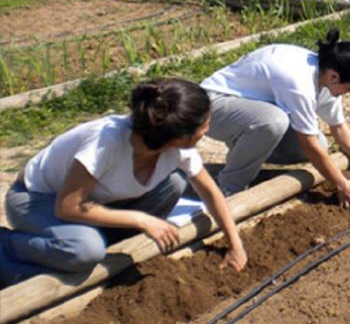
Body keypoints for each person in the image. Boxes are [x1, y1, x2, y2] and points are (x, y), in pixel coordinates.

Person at [0, 78, 246, 288]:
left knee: (174, 183)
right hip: (37, 200)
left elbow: (210, 192)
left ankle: (98, 240)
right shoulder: (106, 143)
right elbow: (67, 207)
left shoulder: (177, 147)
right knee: (85, 251)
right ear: (180, 134)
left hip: (95, 202)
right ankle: (7, 247)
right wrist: (141, 219)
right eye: (204, 125)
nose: (207, 130)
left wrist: (235, 245)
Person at [201, 29, 350, 206]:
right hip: (212, 107)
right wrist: (340, 183)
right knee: (273, 122)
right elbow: (308, 145)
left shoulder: (326, 77)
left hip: (248, 112)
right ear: (334, 76)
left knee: (320, 142)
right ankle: (228, 188)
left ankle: (245, 154)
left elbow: (338, 126)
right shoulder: (299, 83)